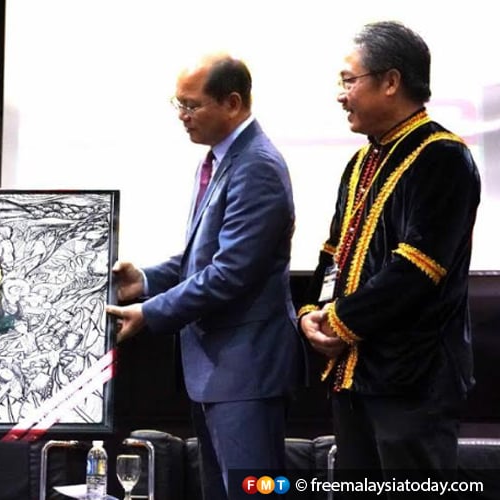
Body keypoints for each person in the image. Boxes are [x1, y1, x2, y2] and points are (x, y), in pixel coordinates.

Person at [105, 53, 305, 500]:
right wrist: (144, 281)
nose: (182, 115)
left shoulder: (257, 166)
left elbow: (230, 272)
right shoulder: (216, 160)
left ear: (232, 103)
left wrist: (149, 313)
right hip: (219, 372)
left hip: (247, 371)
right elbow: (202, 257)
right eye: (178, 104)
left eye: (191, 105)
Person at [297, 21, 481, 489]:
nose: (341, 95)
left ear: (391, 81)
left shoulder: (442, 157)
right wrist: (312, 312)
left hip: (413, 381)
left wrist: (338, 321)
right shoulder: (362, 161)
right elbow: (333, 252)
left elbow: (417, 269)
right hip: (355, 377)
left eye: (348, 80)